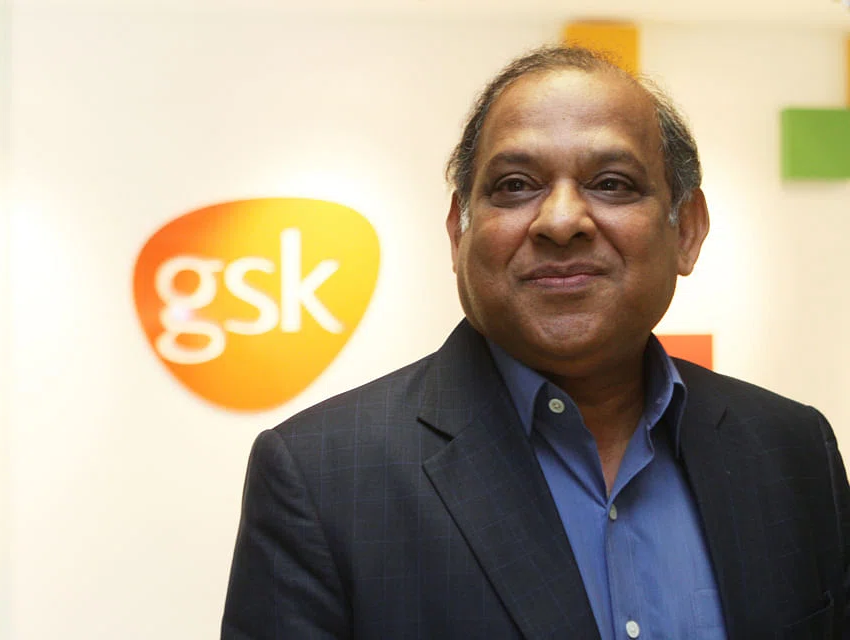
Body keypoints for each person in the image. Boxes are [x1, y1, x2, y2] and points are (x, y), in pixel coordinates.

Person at [222, 46, 850, 639]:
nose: (561, 221)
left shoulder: (794, 451)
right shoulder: (322, 478)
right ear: (458, 232)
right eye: (516, 185)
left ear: (686, 230)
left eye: (612, 183)